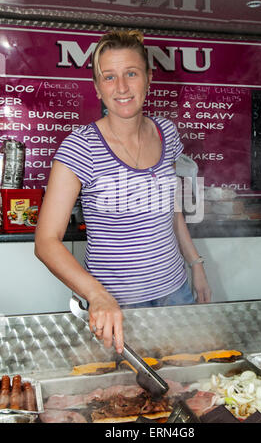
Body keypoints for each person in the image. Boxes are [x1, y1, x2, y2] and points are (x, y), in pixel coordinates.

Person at [34, 30, 211, 355]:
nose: (122, 88)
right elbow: (46, 241)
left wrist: (195, 263)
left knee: (190, 391)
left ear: (148, 78)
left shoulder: (167, 133)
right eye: (109, 77)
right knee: (126, 401)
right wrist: (97, 296)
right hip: (115, 306)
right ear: (97, 87)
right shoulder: (80, 147)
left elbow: (169, 207)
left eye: (131, 73)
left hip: (176, 293)